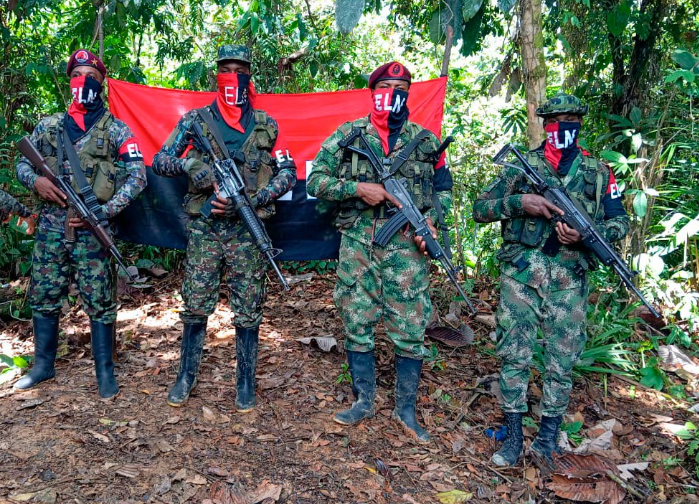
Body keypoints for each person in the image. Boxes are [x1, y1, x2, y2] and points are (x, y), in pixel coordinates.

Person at [473, 93, 630, 466]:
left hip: (570, 279)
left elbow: (620, 221)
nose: (564, 127)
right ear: (545, 125)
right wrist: (520, 203)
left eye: (571, 119)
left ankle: (546, 439)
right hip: (522, 274)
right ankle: (512, 437)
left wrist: (588, 236)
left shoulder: (599, 171)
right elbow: (481, 209)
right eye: (556, 119)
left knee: (562, 361)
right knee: (515, 354)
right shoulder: (521, 167)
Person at [307, 61, 454, 443]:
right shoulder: (348, 135)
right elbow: (315, 181)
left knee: (411, 326)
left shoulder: (426, 142)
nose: (394, 92)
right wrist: (358, 190)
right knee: (357, 318)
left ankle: (405, 409)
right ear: (373, 91)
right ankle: (364, 400)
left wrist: (433, 225)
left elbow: (443, 193)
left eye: (402, 86)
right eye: (386, 85)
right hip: (358, 243)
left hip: (408, 248)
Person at [152, 45, 296, 411]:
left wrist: (256, 199)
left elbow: (289, 172)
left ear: (249, 76)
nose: (234, 75)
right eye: (226, 69)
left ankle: (245, 379)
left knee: (249, 307)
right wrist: (189, 168)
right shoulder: (194, 121)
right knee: (196, 305)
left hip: (247, 233)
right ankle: (186, 374)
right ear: (217, 75)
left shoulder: (266, 124)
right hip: (206, 229)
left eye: (240, 69)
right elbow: (160, 160)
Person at [14, 49, 147, 399]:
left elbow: (138, 177)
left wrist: (105, 212)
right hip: (52, 228)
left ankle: (105, 372)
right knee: (44, 295)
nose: (83, 81)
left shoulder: (116, 129)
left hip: (92, 230)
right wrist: (36, 182)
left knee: (100, 300)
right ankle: (43, 365)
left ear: (102, 83)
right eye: (77, 74)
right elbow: (21, 165)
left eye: (91, 75)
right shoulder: (49, 126)